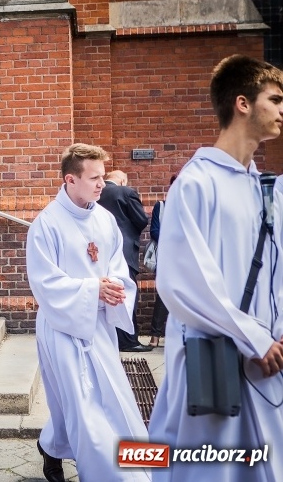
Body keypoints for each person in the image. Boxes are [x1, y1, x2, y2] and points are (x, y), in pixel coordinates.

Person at [148, 55, 283, 481]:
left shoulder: (265, 187)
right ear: (242, 103)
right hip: (216, 357)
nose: (282, 110)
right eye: (275, 99)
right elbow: (184, 281)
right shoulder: (196, 182)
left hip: (269, 357)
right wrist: (253, 336)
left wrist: (275, 332)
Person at [26, 143, 149, 482]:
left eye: (103, 177)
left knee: (105, 398)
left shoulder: (105, 219)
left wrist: (114, 287)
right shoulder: (47, 224)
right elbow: (45, 283)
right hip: (62, 326)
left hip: (97, 326)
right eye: (94, 178)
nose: (102, 185)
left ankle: (51, 446)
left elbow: (118, 268)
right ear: (70, 180)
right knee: (82, 404)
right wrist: (94, 289)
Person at [97, 169, 151, 352]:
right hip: (125, 250)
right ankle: (129, 341)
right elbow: (142, 219)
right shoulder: (126, 192)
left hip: (99, 251)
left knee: (106, 294)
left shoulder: (95, 192)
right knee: (125, 293)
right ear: (122, 180)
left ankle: (110, 337)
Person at [147, 174, 176, 348]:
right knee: (162, 296)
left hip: (186, 260)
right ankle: (155, 335)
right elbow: (154, 231)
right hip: (166, 258)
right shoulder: (162, 206)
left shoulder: (192, 207)